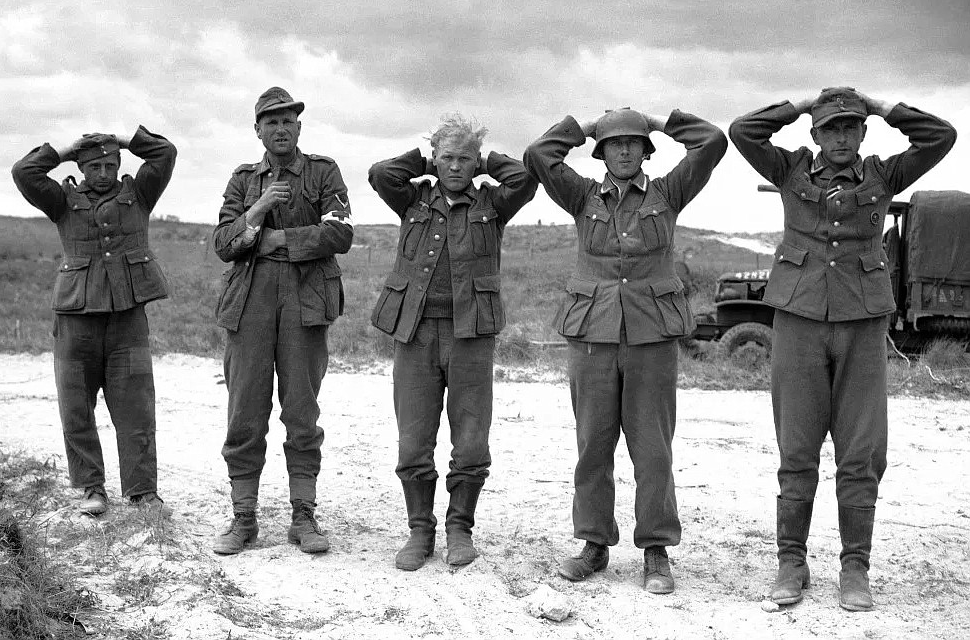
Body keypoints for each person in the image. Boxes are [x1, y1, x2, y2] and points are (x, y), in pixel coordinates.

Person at [729, 87, 956, 611]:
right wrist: (802, 104)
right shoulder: (790, 171)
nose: (840, 137)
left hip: (861, 324)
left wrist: (882, 106)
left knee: (860, 452)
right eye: (830, 127)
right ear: (814, 133)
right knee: (798, 448)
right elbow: (744, 131)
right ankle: (792, 562)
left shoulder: (884, 176)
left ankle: (855, 568)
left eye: (850, 127)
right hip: (798, 321)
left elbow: (941, 136)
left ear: (862, 132)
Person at [524, 106, 727, 591]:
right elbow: (538, 154)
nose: (623, 149)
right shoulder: (581, 196)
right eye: (614, 142)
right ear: (601, 151)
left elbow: (713, 142)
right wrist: (586, 127)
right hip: (592, 334)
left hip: (651, 336)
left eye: (633, 141)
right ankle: (594, 545)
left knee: (652, 447)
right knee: (593, 444)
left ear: (645, 149)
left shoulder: (668, 193)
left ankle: (656, 550)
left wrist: (657, 121)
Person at [368, 114, 537, 571]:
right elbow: (380, 173)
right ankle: (420, 530)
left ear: (477, 161)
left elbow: (524, 178)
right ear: (435, 159)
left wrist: (488, 162)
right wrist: (422, 158)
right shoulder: (412, 197)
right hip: (416, 332)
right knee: (413, 441)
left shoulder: (493, 204)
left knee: (471, 440)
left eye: (465, 158)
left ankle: (459, 527)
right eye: (447, 158)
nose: (456, 166)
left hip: (471, 335)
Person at [212, 87, 353, 556]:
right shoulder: (243, 180)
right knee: (245, 410)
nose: (280, 129)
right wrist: (255, 211)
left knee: (301, 410)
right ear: (257, 130)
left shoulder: (322, 171)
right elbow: (223, 242)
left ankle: (303, 515)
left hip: (305, 302)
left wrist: (276, 240)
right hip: (249, 302)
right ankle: (244, 516)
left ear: (299, 127)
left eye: (288, 121)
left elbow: (340, 231)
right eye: (270, 122)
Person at [11, 127, 177, 515]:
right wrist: (63, 150)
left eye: (109, 164)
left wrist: (123, 139)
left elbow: (165, 152)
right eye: (93, 166)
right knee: (76, 407)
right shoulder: (62, 200)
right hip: (75, 320)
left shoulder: (140, 193)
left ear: (119, 165)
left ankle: (142, 492)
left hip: (128, 319)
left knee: (136, 408)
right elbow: (24, 172)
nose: (103, 172)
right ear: (80, 167)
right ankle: (91, 488)